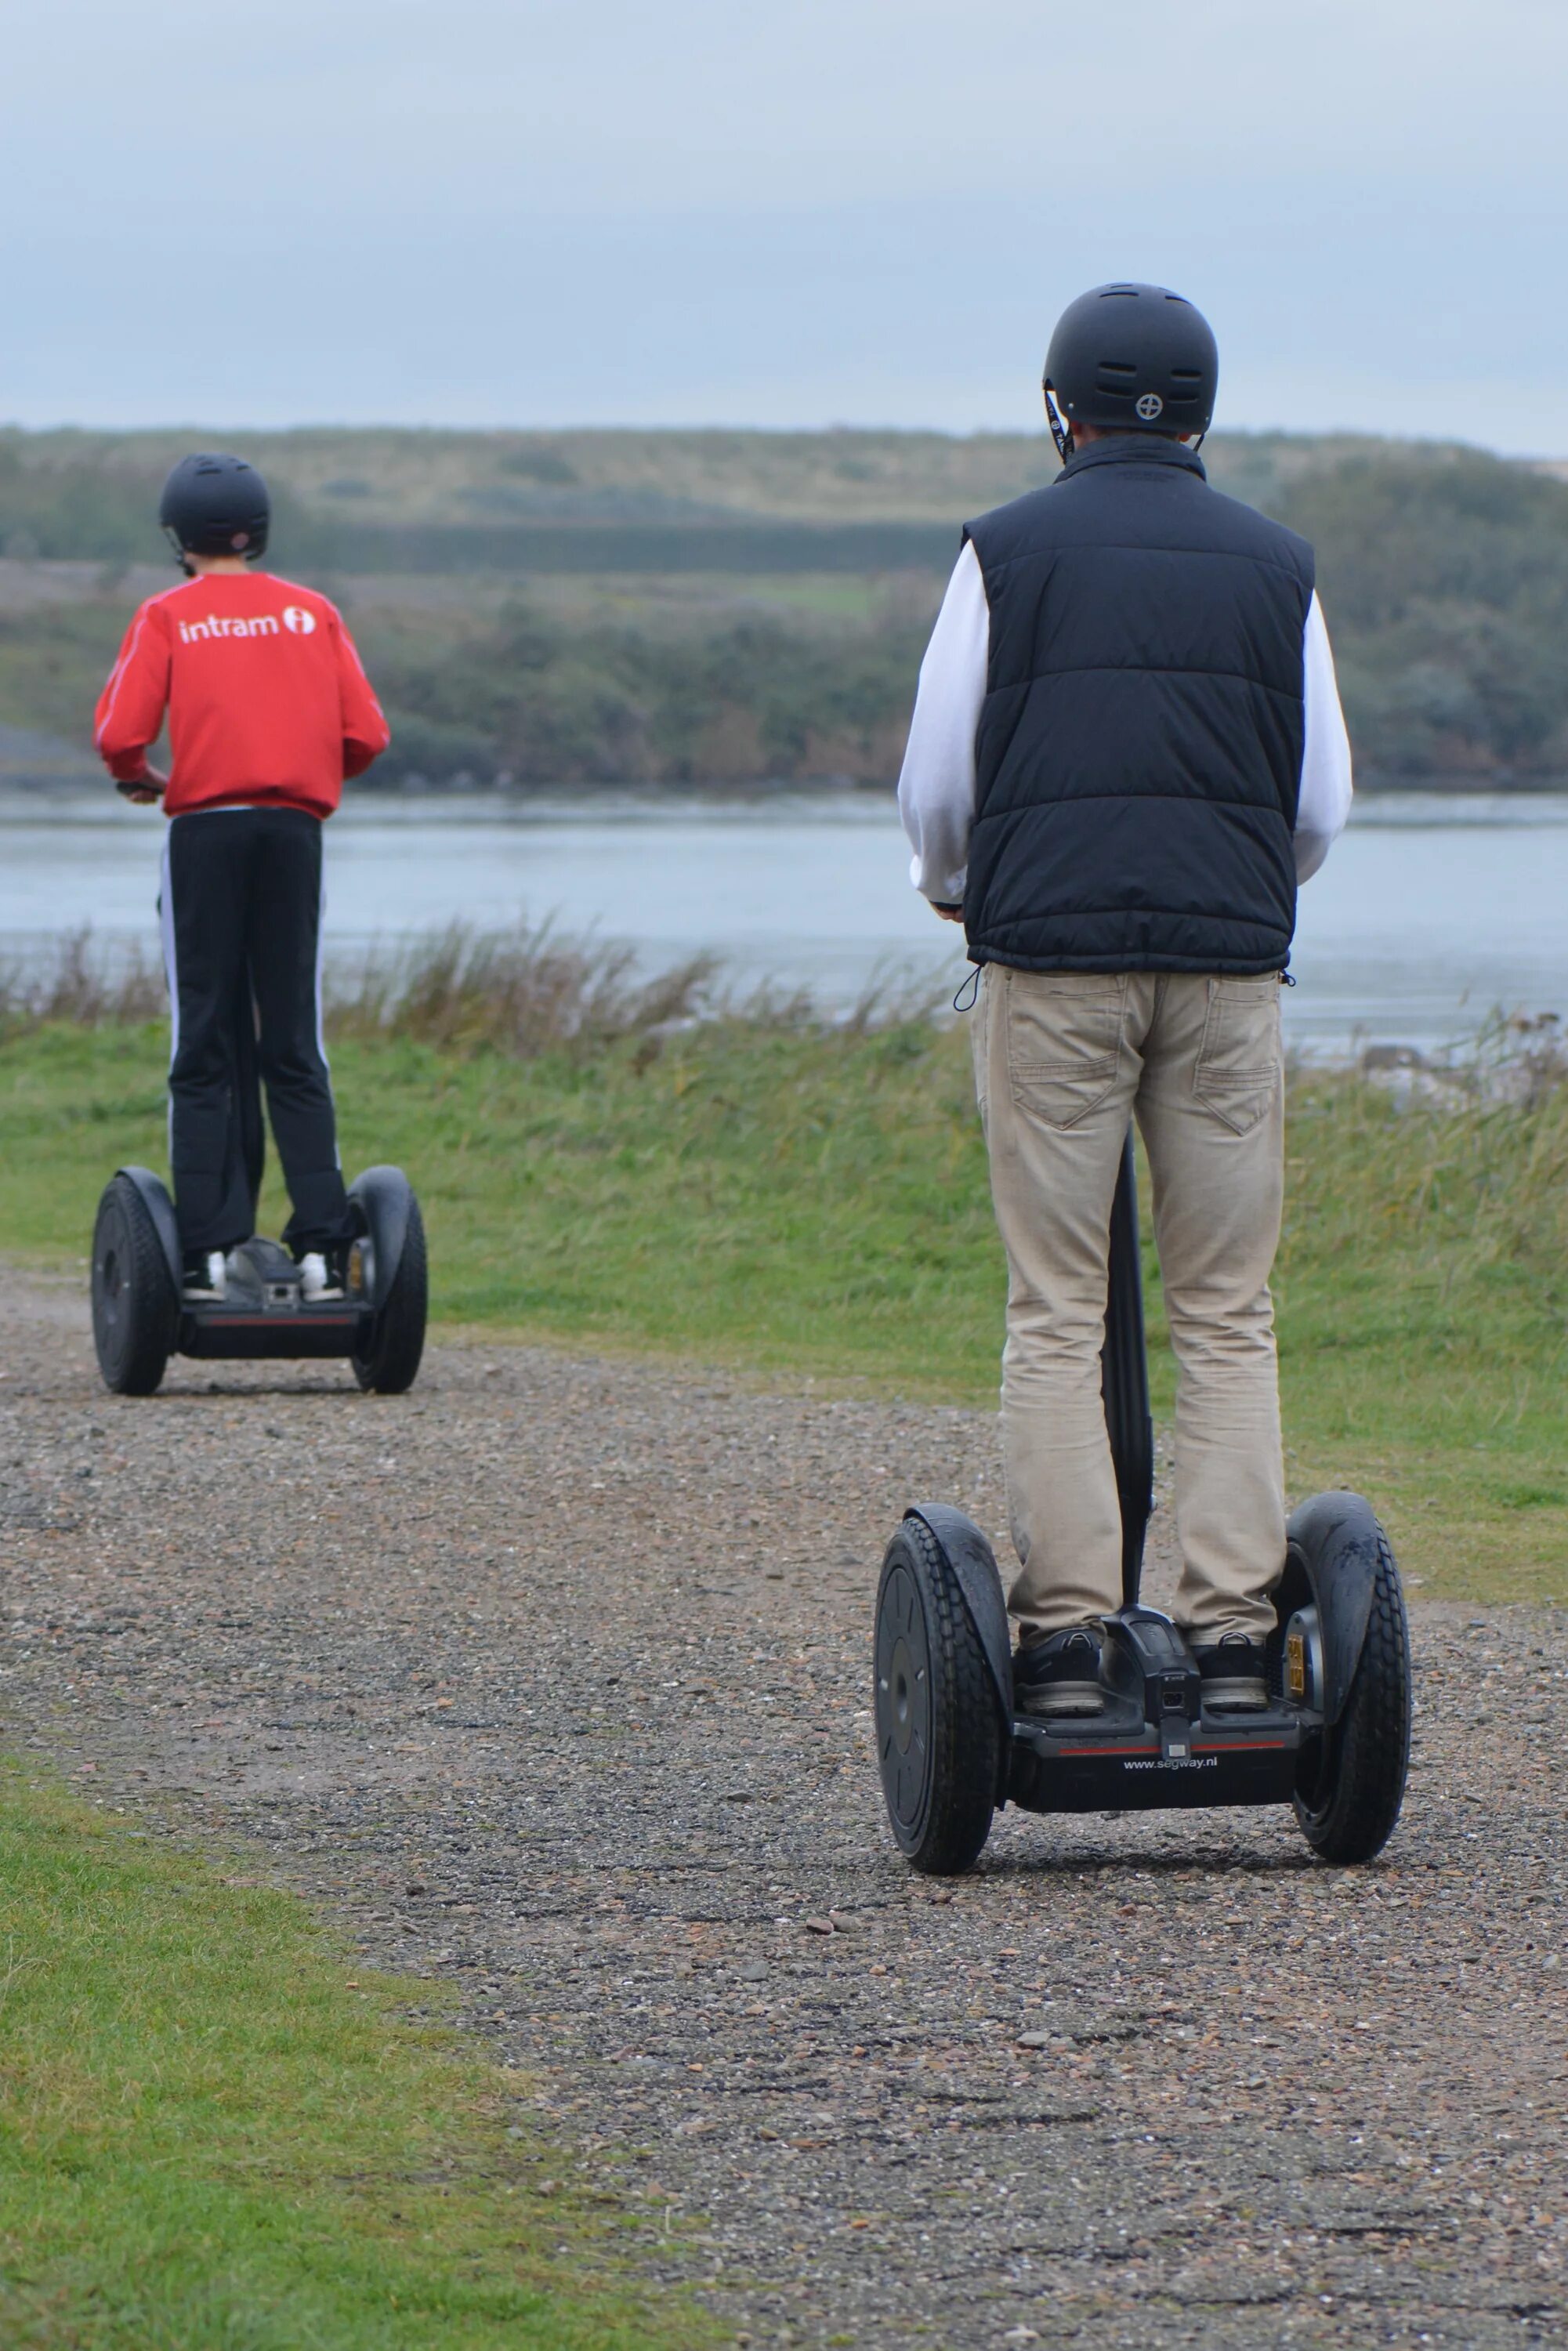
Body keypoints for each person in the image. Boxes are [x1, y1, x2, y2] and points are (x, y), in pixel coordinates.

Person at [896, 283, 1353, 1719]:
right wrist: (1240, 884)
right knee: (1226, 1306)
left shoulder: (1003, 554)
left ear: (1059, 411)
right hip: (1226, 967)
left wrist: (948, 879)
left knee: (1058, 1305)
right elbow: (1320, 803)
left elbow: (940, 779)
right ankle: (1230, 1636)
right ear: (1204, 411)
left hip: (1053, 966)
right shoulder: (1279, 564)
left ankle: (1071, 1640)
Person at [93, 452, 390, 1299]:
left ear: (177, 537)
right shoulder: (312, 613)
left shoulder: (167, 615)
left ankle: (208, 1250)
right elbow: (366, 737)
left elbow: (118, 733)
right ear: (258, 532)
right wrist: (298, 778)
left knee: (204, 1039)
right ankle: (327, 1251)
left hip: (204, 835)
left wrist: (146, 777)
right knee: (294, 1040)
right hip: (294, 834)